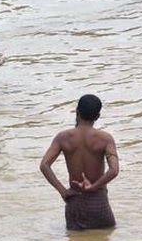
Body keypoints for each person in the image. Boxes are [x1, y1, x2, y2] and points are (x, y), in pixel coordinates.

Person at [39, 94, 119, 230]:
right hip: (98, 202)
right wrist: (94, 187)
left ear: (77, 111)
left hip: (74, 202)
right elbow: (114, 170)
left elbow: (44, 165)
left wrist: (62, 191)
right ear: (97, 116)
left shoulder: (63, 137)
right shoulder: (105, 139)